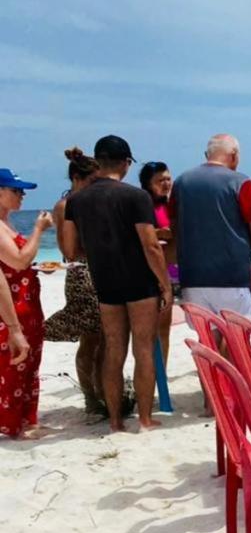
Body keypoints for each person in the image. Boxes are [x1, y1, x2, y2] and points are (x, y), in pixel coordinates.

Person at [63, 135, 171, 432]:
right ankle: (145, 419)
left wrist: (100, 250)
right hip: (139, 281)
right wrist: (165, 284)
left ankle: (114, 421)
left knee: (113, 349)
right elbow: (150, 245)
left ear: (98, 162)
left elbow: (71, 249)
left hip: (105, 280)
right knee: (143, 349)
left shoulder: (77, 200)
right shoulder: (136, 197)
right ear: (125, 163)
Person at [170, 134, 251, 321]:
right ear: (234, 155)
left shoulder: (181, 182)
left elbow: (175, 226)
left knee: (206, 335)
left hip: (193, 276)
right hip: (232, 276)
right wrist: (243, 249)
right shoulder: (240, 182)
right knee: (236, 334)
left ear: (207, 154)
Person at [47, 147, 105, 415]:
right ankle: (91, 397)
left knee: (104, 338)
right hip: (82, 274)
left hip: (101, 271)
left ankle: (101, 392)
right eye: (92, 181)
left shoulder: (91, 202)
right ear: (76, 179)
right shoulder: (65, 206)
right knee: (90, 338)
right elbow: (68, 250)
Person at [0, 169, 51, 437]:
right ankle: (12, 426)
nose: (22, 196)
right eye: (15, 190)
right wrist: (39, 230)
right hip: (11, 309)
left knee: (29, 366)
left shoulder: (7, 222)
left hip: (27, 304)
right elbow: (18, 261)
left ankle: (27, 421)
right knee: (12, 367)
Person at [139, 161, 178, 370]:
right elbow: (132, 234)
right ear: (148, 183)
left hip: (173, 270)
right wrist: (158, 233)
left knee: (164, 329)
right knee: (149, 331)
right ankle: (151, 374)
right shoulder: (142, 203)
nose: (166, 183)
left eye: (168, 179)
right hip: (151, 271)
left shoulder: (171, 203)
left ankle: (161, 373)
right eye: (160, 180)